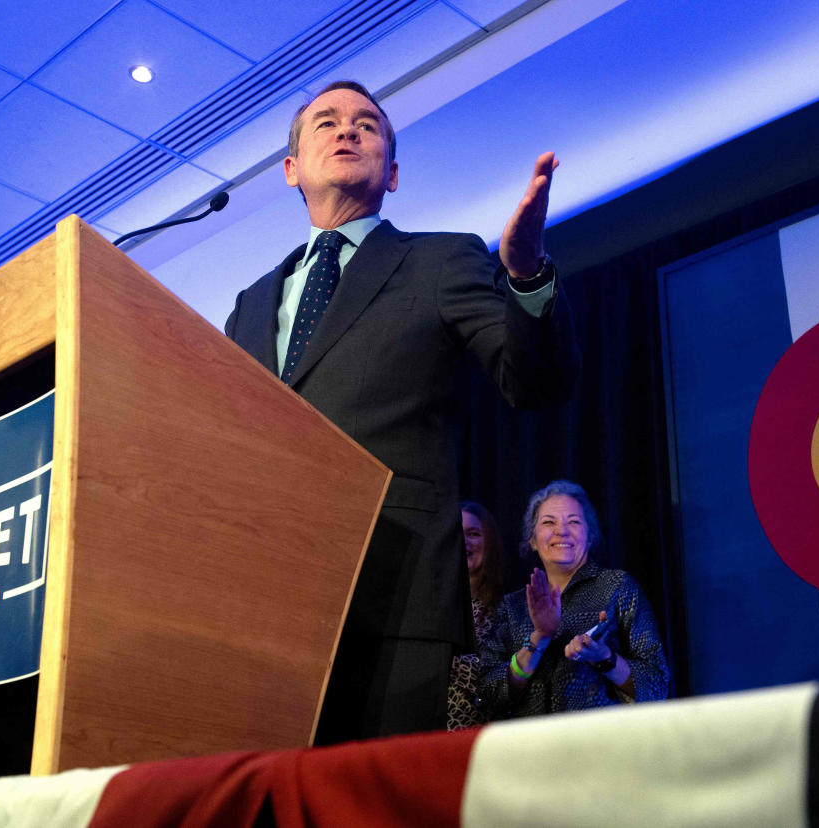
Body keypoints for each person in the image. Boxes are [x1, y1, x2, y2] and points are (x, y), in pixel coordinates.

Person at [223, 81, 578, 742]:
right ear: (292, 169)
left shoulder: (438, 261)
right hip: (264, 600)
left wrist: (526, 274)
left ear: (391, 172)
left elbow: (537, 384)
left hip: (396, 594)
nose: (346, 130)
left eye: (366, 124)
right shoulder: (247, 305)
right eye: (326, 122)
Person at [479, 480, 669, 718]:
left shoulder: (617, 587)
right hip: (532, 747)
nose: (561, 530)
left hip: (600, 742)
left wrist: (604, 658)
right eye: (549, 521)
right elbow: (486, 695)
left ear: (590, 536)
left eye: (574, 522)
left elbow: (657, 686)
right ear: (532, 539)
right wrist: (539, 638)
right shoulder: (513, 606)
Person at [447, 502, 507, 730]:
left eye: (473, 534)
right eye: (457, 534)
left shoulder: (507, 609)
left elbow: (501, 678)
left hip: (480, 734)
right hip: (429, 731)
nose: (464, 542)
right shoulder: (431, 604)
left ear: (489, 543)